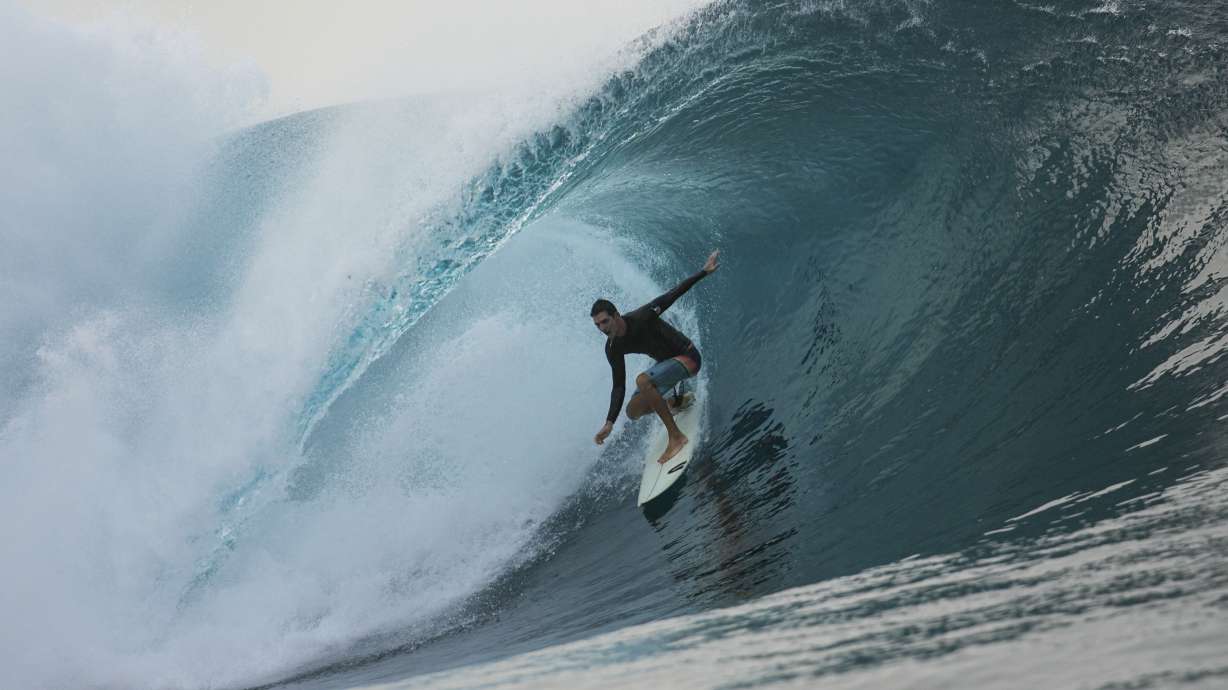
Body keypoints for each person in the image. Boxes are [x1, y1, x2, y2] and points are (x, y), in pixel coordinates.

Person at [592, 250, 720, 463]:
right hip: (667, 365)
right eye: (597, 325)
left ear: (616, 315)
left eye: (605, 322)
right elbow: (618, 386)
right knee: (633, 411)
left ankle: (676, 438)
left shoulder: (642, 317)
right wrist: (609, 423)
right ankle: (675, 403)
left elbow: (673, 294)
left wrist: (704, 272)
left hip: (688, 357)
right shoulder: (613, 347)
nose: (602, 328)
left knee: (643, 380)